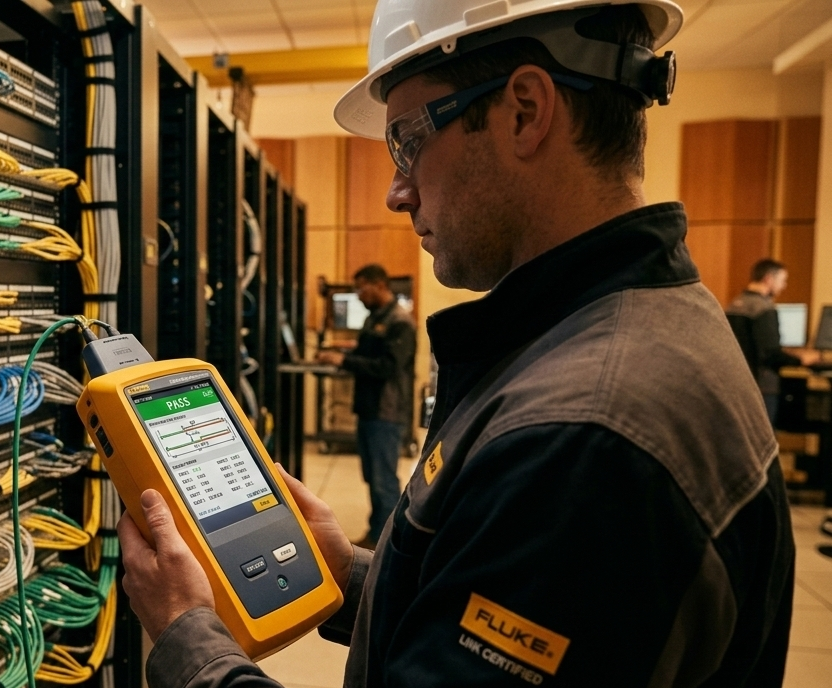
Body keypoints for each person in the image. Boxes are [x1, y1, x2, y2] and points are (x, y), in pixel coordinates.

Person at [117, 1, 796, 686]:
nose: (397, 192)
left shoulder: (584, 440)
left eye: (408, 141)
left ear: (524, 111)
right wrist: (351, 576)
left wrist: (188, 638)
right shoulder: (627, 331)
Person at [315, 265, 415, 546]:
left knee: (384, 481)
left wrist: (343, 361)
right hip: (369, 409)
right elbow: (369, 351)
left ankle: (388, 544)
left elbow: (388, 367)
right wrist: (344, 350)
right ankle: (376, 535)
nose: (358, 295)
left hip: (386, 411)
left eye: (361, 288)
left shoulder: (400, 322)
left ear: (379, 284)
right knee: (373, 477)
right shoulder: (376, 318)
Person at [726, 258, 821, 425]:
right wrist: (800, 359)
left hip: (735, 385)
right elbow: (771, 354)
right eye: (782, 280)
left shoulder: (733, 305)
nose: (783, 286)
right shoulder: (764, 309)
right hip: (762, 387)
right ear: (769, 279)